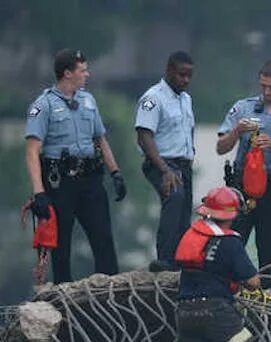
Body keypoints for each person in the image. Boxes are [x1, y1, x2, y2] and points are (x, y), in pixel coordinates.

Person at [25, 48, 126, 283]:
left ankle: (110, 292)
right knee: (61, 245)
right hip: (60, 182)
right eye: (83, 70)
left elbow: (100, 139)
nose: (87, 74)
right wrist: (39, 192)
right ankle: (64, 294)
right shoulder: (44, 105)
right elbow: (32, 151)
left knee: (103, 238)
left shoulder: (88, 100)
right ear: (68, 73)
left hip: (90, 179)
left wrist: (116, 172)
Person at [174, 186, 266, 342]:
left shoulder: (193, 235)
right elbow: (253, 282)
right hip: (216, 316)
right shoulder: (230, 242)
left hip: (185, 315)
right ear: (233, 215)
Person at [217, 60, 271, 289]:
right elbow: (220, 147)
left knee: (270, 246)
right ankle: (229, 287)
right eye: (263, 86)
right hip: (243, 186)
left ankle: (268, 292)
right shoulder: (244, 108)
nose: (267, 92)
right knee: (233, 238)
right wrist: (237, 131)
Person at [136, 51, 195, 272]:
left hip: (183, 163)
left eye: (190, 76)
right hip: (161, 162)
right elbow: (144, 135)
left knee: (184, 212)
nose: (186, 80)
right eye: (181, 75)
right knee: (175, 197)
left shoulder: (186, 99)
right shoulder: (153, 98)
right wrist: (164, 170)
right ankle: (165, 260)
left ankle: (182, 261)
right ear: (169, 70)